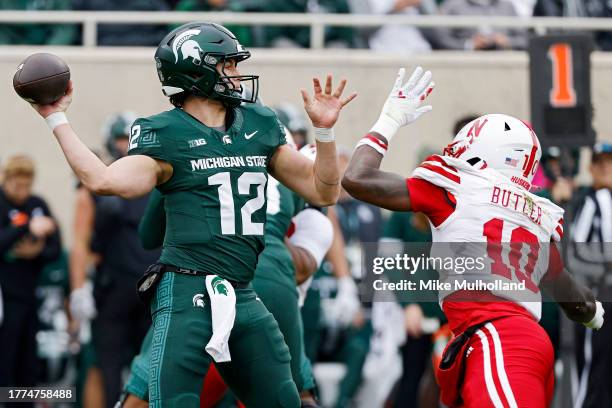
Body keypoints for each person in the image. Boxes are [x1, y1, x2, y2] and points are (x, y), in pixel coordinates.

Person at [26, 21, 355, 408]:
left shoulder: (260, 124)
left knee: (285, 400)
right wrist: (55, 118)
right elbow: (103, 180)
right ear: (196, 69)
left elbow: (324, 190)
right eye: (226, 64)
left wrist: (325, 133)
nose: (235, 73)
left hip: (243, 292)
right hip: (187, 292)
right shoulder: (165, 132)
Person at [341, 66, 604, 407]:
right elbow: (576, 300)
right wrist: (595, 314)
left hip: (498, 336)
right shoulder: (537, 214)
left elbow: (357, 178)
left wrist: (389, 119)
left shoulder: (456, 187)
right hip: (527, 344)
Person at [0, 155, 60, 397]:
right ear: (7, 179)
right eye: (17, 185)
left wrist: (36, 252)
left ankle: (25, 403)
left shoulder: (38, 204)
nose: (22, 191)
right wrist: (25, 228)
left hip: (31, 294)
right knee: (6, 358)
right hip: (5, 297)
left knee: (28, 360)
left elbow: (54, 248)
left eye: (27, 185)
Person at [570, 142, 612, 408]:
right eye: (600, 163)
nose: (606, 167)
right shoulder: (592, 201)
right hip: (601, 300)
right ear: (591, 169)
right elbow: (576, 253)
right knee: (595, 373)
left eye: (610, 161)